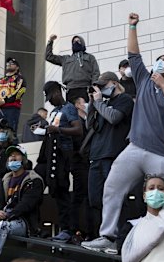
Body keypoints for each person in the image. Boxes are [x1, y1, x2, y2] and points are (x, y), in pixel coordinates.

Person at [82, 13, 164, 253]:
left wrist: (163, 84)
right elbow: (134, 55)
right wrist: (132, 26)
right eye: (158, 60)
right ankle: (108, 236)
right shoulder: (143, 79)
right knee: (111, 187)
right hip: (135, 148)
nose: (158, 63)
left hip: (161, 154)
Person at [121, 133, 164, 262]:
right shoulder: (133, 227)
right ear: (144, 195)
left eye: (161, 188)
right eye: (151, 188)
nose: (156, 191)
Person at [86, 72, 135, 238]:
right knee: (95, 198)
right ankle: (104, 234)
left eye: (102, 85)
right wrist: (92, 103)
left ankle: (120, 236)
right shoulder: (102, 103)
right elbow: (89, 125)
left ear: (114, 83)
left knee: (115, 197)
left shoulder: (125, 99)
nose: (100, 89)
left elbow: (114, 118)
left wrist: (99, 102)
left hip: (113, 154)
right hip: (97, 155)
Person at [34, 81, 83, 243]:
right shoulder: (54, 111)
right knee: (39, 185)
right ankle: (35, 225)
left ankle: (67, 229)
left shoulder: (69, 108)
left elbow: (78, 129)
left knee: (62, 191)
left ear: (57, 92)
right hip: (50, 153)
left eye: (50, 96)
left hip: (63, 155)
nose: (50, 100)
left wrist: (58, 130)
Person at [45, 34, 100, 103]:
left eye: (78, 41)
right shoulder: (65, 59)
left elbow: (96, 72)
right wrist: (50, 41)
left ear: (82, 43)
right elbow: (48, 57)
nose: (76, 43)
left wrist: (94, 86)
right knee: (71, 111)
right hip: (71, 90)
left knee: (85, 110)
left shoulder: (90, 57)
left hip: (85, 88)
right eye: (74, 41)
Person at [71, 96, 92, 243]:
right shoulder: (75, 122)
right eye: (83, 102)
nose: (86, 104)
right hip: (79, 162)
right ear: (78, 105)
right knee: (80, 195)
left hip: (88, 163)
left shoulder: (88, 120)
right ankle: (77, 229)